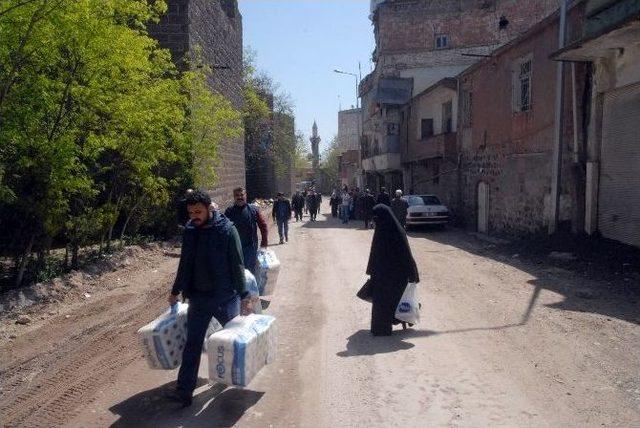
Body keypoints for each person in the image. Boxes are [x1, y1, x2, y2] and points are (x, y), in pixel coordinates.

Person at [166, 190, 252, 407]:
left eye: (198, 211)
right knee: (193, 344)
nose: (194, 215)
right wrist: (176, 290)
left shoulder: (227, 230)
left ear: (208, 209)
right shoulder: (190, 231)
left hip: (225, 297)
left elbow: (237, 265)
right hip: (198, 298)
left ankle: (234, 377)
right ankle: (184, 391)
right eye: (191, 212)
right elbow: (185, 263)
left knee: (233, 341)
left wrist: (245, 296)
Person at [366, 204, 419, 336]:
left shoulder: (397, 232)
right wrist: (372, 271)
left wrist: (412, 273)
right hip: (382, 274)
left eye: (377, 217)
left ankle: (390, 323)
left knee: (391, 300)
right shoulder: (381, 230)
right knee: (382, 301)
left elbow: (406, 253)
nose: (375, 220)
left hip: (396, 274)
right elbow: (374, 253)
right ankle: (381, 328)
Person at [224, 187, 268, 275]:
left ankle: (250, 288)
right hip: (234, 249)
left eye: (242, 195)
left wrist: (264, 243)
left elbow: (263, 226)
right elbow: (224, 229)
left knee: (249, 273)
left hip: (250, 248)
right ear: (234, 197)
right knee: (237, 272)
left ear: (246, 195)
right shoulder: (229, 211)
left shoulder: (253, 210)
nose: (240, 197)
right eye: (237, 195)